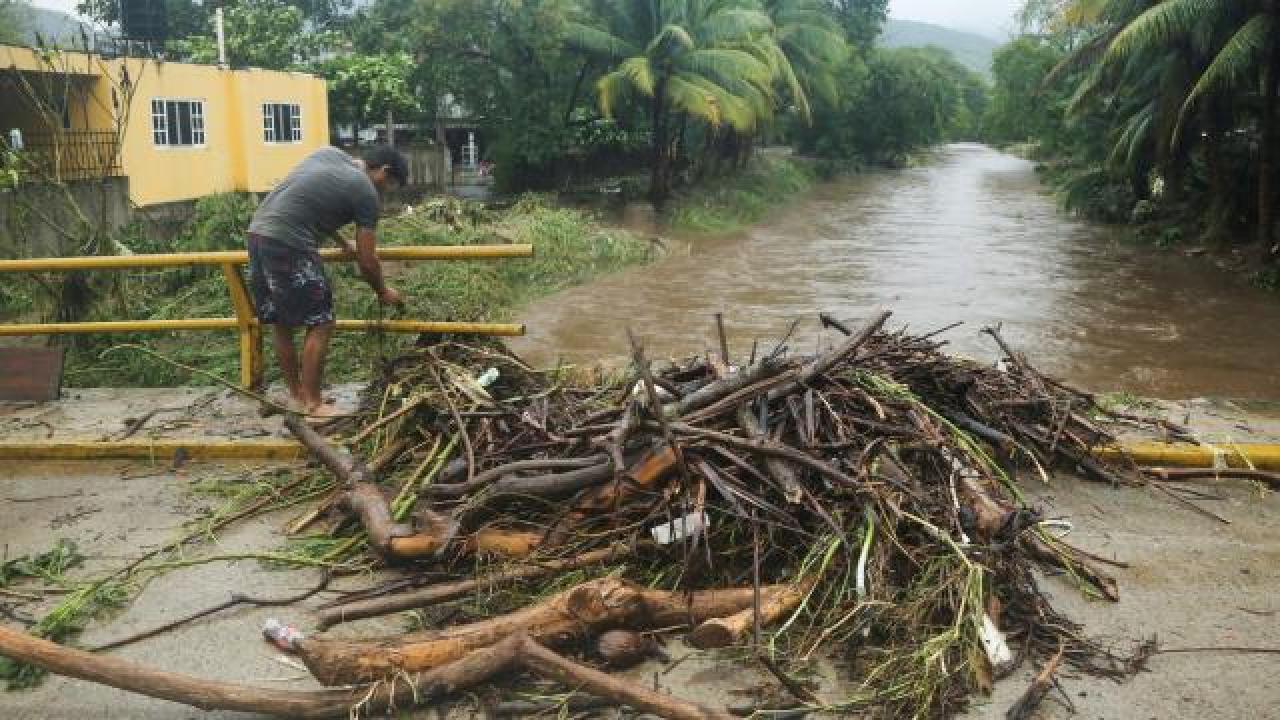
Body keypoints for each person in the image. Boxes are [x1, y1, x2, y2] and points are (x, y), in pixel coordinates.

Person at [245, 145, 408, 418]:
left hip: (257, 234)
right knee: (321, 322)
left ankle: (297, 396)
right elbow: (368, 260)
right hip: (289, 241)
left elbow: (311, 199)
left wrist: (343, 242)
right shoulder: (367, 192)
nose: (386, 191)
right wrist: (382, 291)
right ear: (384, 171)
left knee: (281, 323)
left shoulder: (328, 155)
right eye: (390, 185)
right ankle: (313, 403)